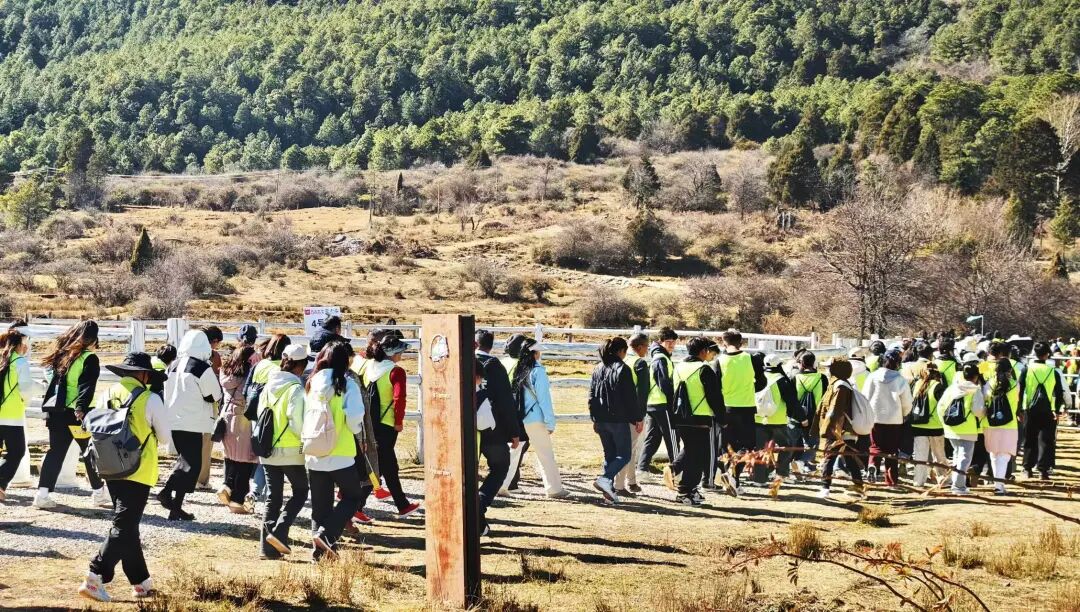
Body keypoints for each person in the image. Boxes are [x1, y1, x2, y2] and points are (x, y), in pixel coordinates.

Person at [77, 352, 170, 603]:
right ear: (144, 374)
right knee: (123, 526)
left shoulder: (107, 393)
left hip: (109, 466)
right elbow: (164, 437)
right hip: (139, 469)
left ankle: (141, 583)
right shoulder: (150, 398)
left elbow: (93, 426)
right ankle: (95, 576)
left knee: (128, 526)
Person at [35, 320, 108, 510]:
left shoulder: (61, 355)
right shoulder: (89, 358)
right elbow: (86, 386)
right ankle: (99, 493)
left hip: (57, 412)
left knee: (55, 453)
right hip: (77, 415)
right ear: (93, 338)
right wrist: (81, 408)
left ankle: (42, 494)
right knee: (89, 452)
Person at [305, 342, 366, 561]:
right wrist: (357, 430)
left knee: (320, 505)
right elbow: (354, 419)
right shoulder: (346, 384)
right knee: (353, 496)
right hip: (340, 452)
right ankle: (327, 535)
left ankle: (320, 553)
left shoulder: (311, 383)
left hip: (314, 451)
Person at [159, 330, 222, 521]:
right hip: (193, 421)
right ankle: (166, 492)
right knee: (191, 465)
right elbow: (214, 395)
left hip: (173, 419)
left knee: (185, 462)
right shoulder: (201, 367)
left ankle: (176, 508)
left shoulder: (172, 365)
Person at [357, 335, 422, 517]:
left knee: (383, 464)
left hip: (368, 423)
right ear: (393, 353)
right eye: (400, 351)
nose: (402, 354)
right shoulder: (396, 371)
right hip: (387, 424)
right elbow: (399, 398)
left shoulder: (368, 366)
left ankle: (402, 505)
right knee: (383, 465)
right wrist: (399, 422)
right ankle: (356, 507)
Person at [258, 344, 309, 559]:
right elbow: (297, 422)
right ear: (300, 366)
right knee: (300, 491)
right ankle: (280, 531)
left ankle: (266, 548)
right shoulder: (295, 389)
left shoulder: (268, 385)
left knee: (273, 497)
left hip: (267, 450)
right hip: (291, 451)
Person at [501, 336, 567, 498]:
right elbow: (544, 399)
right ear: (534, 353)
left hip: (519, 416)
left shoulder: (519, 369)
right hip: (534, 418)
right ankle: (554, 489)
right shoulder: (538, 371)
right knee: (545, 454)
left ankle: (501, 485)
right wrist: (550, 423)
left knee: (513, 452)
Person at [669, 337, 725, 506]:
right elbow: (714, 397)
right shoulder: (704, 369)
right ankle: (684, 489)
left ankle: (688, 486)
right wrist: (722, 418)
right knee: (698, 456)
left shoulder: (678, 366)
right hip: (700, 418)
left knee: (692, 451)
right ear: (703, 351)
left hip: (680, 416)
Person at [474, 331, 520, 534]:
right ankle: (479, 504)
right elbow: (505, 401)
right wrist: (514, 431)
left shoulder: (462, 361)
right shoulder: (494, 365)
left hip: (466, 429)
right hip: (492, 429)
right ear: (491, 345)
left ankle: (476, 512)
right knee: (500, 467)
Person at [588, 337, 642, 504]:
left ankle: (609, 492)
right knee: (624, 455)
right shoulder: (623, 369)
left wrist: (594, 417)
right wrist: (637, 418)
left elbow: (591, 395)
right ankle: (605, 479)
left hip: (600, 418)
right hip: (618, 419)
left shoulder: (598, 368)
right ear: (621, 351)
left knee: (609, 456)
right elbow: (630, 397)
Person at [716, 330, 767, 495]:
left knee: (727, 446)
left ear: (724, 343)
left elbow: (715, 386)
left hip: (726, 408)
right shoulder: (751, 359)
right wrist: (749, 389)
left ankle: (732, 479)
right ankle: (734, 476)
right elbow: (762, 382)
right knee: (747, 446)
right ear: (741, 343)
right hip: (746, 408)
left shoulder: (719, 361)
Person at [217, 344, 258, 514]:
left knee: (231, 457)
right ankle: (237, 501)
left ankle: (226, 486)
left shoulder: (226, 372)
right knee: (246, 460)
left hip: (226, 417)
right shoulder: (249, 374)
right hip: (243, 418)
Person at [816, 358, 865, 499]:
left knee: (829, 458)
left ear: (835, 370)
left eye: (829, 368)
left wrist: (827, 429)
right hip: (843, 430)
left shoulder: (840, 386)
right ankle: (858, 487)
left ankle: (825, 488)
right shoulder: (840, 384)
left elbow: (835, 410)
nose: (827, 371)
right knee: (849, 459)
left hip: (838, 430)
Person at [863, 348, 913, 487]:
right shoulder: (900, 380)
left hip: (875, 418)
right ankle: (891, 480)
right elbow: (907, 402)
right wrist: (904, 414)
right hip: (894, 419)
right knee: (892, 450)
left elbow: (865, 396)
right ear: (898, 363)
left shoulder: (872, 377)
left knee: (875, 446)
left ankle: (873, 465)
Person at [939, 363, 986, 495]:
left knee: (957, 455)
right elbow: (978, 410)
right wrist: (984, 412)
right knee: (965, 458)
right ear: (976, 376)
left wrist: (945, 423)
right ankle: (958, 486)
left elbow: (940, 407)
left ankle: (956, 482)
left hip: (951, 428)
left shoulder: (952, 388)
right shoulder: (975, 390)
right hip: (968, 429)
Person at [1023, 342, 1068, 480]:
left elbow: (1020, 389)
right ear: (1047, 354)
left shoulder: (1027, 369)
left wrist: (1019, 409)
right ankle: (1043, 470)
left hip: (1030, 408)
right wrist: (1058, 410)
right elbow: (1059, 392)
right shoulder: (1053, 371)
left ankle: (1027, 468)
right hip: (1048, 410)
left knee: (1030, 438)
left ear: (1034, 353)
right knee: (1046, 440)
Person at [752, 354, 797, 484]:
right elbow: (791, 401)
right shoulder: (781, 380)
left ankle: (759, 479)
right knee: (787, 446)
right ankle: (781, 473)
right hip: (778, 421)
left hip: (759, 419)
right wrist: (799, 417)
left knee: (761, 449)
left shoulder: (757, 377)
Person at [614, 333, 649, 496]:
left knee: (630, 448)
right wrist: (640, 417)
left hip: (618, 412)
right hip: (632, 414)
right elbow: (642, 393)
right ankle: (619, 485)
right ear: (640, 347)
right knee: (627, 450)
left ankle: (632, 481)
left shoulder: (623, 360)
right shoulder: (640, 363)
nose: (647, 350)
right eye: (646, 347)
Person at [0, 321, 32, 502]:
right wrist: (26, 401)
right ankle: (1, 483)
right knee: (17, 451)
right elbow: (26, 389)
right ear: (19, 343)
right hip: (12, 415)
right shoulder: (19, 362)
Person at [640, 327, 678, 477]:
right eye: (668, 341)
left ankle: (642, 469)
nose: (671, 344)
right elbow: (664, 383)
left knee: (652, 438)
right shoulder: (661, 358)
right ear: (661, 341)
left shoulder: (659, 356)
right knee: (672, 437)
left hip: (653, 403)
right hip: (663, 404)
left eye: (674, 342)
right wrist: (673, 401)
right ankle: (677, 470)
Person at [985, 359, 1020, 495]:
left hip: (991, 423)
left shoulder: (989, 384)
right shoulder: (1015, 384)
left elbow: (985, 400)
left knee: (994, 454)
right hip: (1009, 424)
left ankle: (997, 484)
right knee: (1004, 456)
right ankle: (999, 486)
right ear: (1010, 370)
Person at [910, 363, 947, 488]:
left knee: (920, 456)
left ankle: (918, 481)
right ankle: (943, 479)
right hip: (935, 426)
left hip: (918, 425)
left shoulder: (916, 385)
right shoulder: (938, 386)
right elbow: (943, 405)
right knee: (939, 455)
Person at [197, 326, 225, 488]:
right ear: (213, 341)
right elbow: (218, 379)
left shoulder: (189, 356)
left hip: (190, 403)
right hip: (209, 401)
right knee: (206, 442)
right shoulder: (213, 356)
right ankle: (202, 480)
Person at [791, 351, 826, 474]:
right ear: (814, 363)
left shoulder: (795, 377)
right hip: (815, 416)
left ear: (801, 363)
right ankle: (803, 462)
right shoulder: (822, 378)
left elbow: (791, 398)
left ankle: (799, 464)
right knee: (813, 444)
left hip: (797, 415)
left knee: (795, 443)